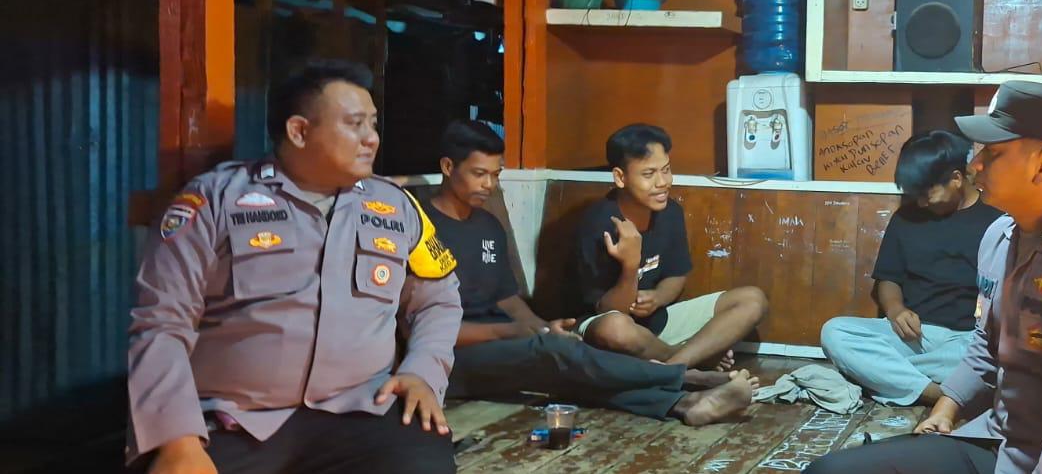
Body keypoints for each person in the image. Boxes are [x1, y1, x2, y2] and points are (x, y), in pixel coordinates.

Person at [808, 81, 1042, 474]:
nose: (976, 166)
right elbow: (987, 345)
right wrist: (946, 409)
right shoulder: (1001, 236)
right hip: (1006, 444)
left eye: (993, 153)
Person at [127, 60, 462, 474]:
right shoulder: (215, 199)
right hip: (237, 422)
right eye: (355, 124)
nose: (372, 138)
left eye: (373, 124)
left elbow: (438, 299)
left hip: (362, 410)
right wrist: (177, 441)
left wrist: (422, 372)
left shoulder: (395, 206)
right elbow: (161, 322)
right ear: (299, 131)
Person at [422, 120, 756, 424]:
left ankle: (686, 405)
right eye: (479, 174)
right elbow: (421, 329)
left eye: (496, 175)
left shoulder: (487, 225)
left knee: (570, 368)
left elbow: (508, 299)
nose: (490, 185)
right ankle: (689, 377)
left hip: (502, 346)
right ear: (448, 167)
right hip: (446, 360)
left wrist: (543, 328)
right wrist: (511, 332)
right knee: (561, 355)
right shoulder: (420, 228)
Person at [819, 130, 1002, 406]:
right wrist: (896, 310)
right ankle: (937, 393)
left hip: (967, 340)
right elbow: (888, 279)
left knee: (995, 355)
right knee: (834, 333)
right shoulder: (907, 218)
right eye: (915, 194)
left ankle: (888, 377)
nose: (921, 202)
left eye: (927, 194)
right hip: (913, 337)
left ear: (956, 179)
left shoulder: (997, 220)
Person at [574, 123, 769, 369]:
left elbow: (676, 275)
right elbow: (609, 310)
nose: (663, 182)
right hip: (606, 326)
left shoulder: (670, 212)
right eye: (648, 174)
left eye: (666, 170)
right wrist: (630, 265)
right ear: (620, 178)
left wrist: (658, 298)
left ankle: (675, 365)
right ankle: (693, 361)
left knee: (753, 300)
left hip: (657, 322)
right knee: (615, 328)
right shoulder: (598, 223)